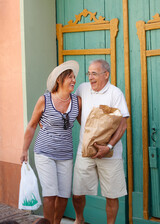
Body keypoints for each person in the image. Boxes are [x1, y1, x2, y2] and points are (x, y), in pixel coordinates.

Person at [20, 60, 81, 224]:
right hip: (44, 153)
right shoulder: (45, 100)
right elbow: (32, 125)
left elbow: (86, 126)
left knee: (63, 194)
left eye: (74, 77)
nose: (74, 80)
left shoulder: (77, 102)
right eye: (70, 77)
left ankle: (56, 222)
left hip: (65, 154)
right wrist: (24, 150)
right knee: (50, 193)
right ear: (60, 80)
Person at [72, 59, 129, 224]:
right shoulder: (82, 88)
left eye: (94, 74)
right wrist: (90, 132)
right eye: (89, 73)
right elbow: (75, 108)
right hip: (85, 151)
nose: (90, 77)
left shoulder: (115, 93)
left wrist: (108, 146)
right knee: (77, 192)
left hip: (110, 154)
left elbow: (123, 124)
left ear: (106, 74)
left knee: (111, 195)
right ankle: (79, 220)